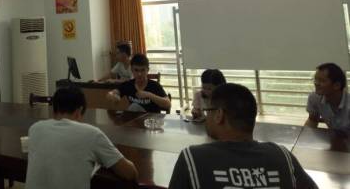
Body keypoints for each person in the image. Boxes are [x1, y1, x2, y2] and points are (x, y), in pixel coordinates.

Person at [168, 83, 317, 189]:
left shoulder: (193, 158)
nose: (206, 117)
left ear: (219, 115)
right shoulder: (283, 156)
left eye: (208, 111)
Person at [25, 86, 138, 189]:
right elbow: (130, 173)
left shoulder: (35, 129)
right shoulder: (91, 134)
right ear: (79, 111)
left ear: (54, 109)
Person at [106, 54, 170, 113]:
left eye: (142, 70)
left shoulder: (155, 85)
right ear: (132, 70)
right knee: (133, 107)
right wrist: (112, 95)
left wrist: (149, 95)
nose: (139, 74)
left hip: (152, 120)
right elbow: (112, 93)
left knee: (134, 107)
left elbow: (168, 104)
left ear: (147, 70)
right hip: (134, 120)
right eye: (136, 70)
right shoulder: (128, 84)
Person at [305, 62, 350, 133]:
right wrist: (303, 136)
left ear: (337, 85)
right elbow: (312, 120)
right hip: (333, 137)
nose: (316, 83)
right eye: (315, 79)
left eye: (322, 80)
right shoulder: (314, 98)